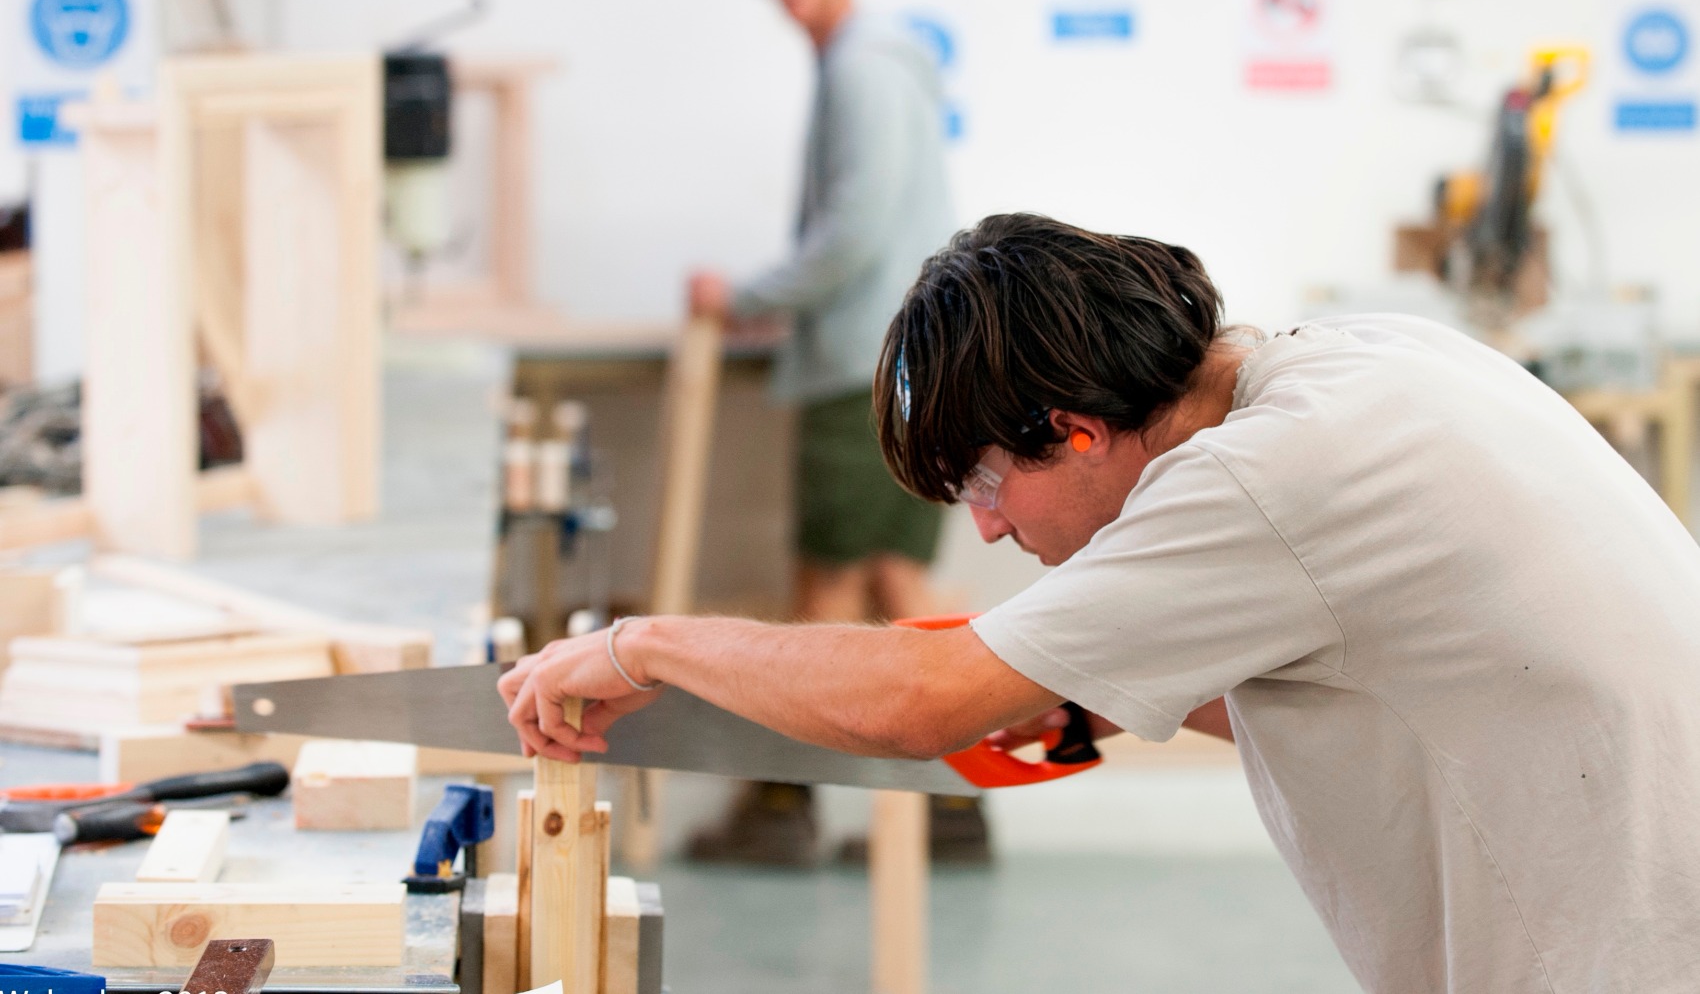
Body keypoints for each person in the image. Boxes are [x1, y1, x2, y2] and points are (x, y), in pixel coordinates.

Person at [503, 212, 1700, 992]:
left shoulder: (1247, 478)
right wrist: (1079, 680)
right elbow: (1371, 676)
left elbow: (924, 703)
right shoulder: (1361, 361)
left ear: (1073, 431)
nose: (982, 525)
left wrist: (640, 645)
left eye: (984, 478)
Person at [684, 0, 968, 866]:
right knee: (898, 581)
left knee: (825, 591)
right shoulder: (873, 60)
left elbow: (848, 236)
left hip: (861, 366)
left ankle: (782, 810)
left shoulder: (861, 68)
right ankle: (957, 808)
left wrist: (746, 292)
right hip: (892, 360)